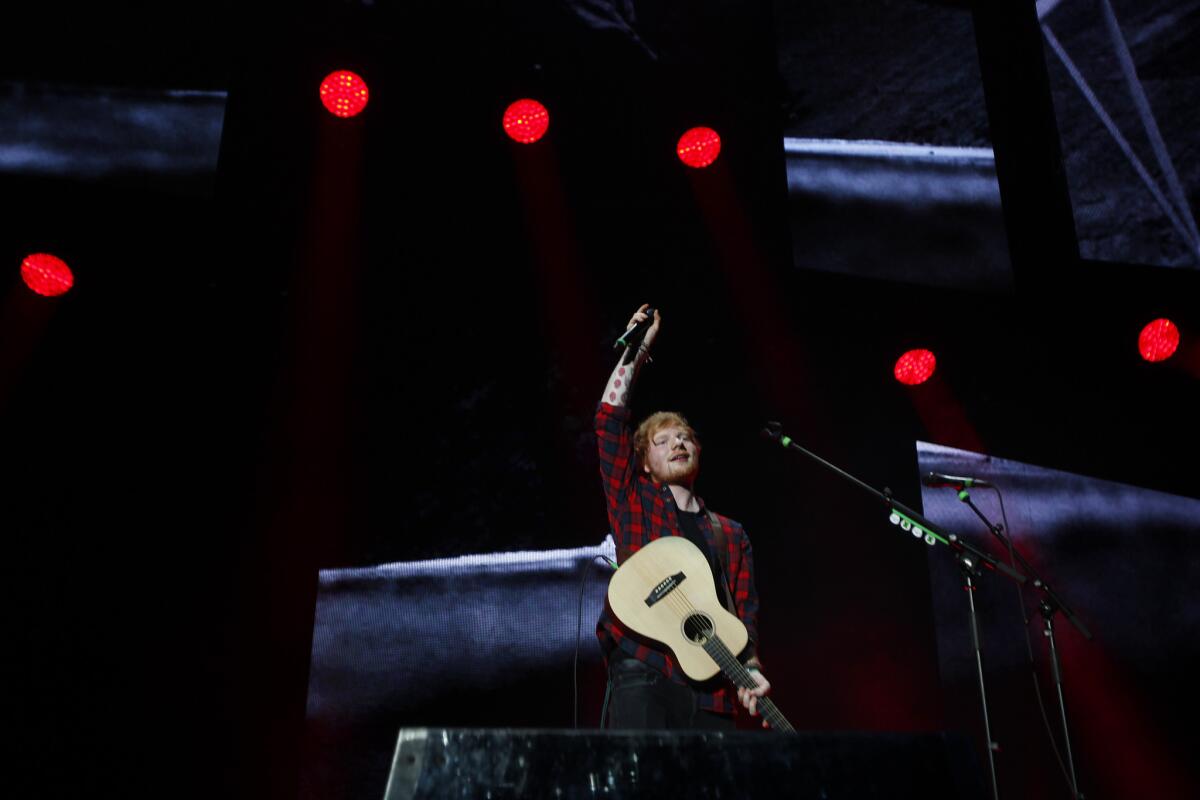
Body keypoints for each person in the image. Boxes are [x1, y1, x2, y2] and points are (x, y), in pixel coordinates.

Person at [596, 303, 772, 729]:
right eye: (662, 440)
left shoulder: (730, 533)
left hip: (714, 689)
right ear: (643, 463)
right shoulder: (634, 501)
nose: (677, 443)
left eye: (685, 437)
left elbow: (743, 614)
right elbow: (608, 420)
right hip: (645, 673)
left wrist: (751, 668)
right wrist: (636, 351)